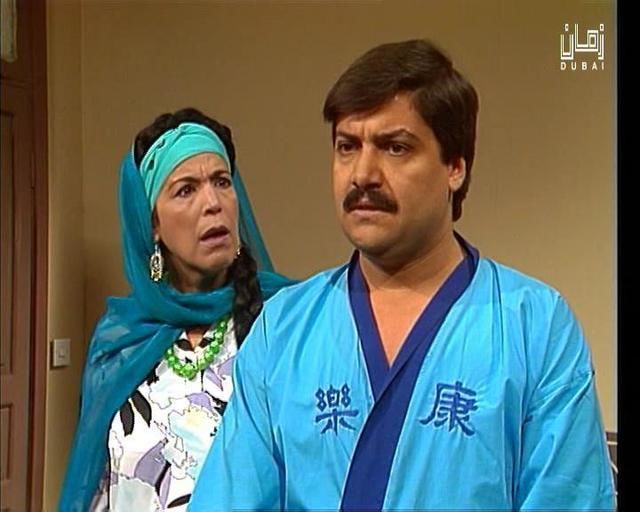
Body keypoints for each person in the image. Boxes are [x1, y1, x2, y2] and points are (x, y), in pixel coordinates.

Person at [189, 40, 616, 511]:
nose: (363, 174)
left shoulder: (535, 326)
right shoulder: (284, 329)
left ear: (455, 167)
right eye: (347, 147)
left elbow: (568, 497)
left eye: (395, 147)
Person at [58, 108, 294, 511]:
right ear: (152, 224)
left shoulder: (285, 322)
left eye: (222, 182)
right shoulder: (120, 340)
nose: (213, 203)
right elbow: (99, 483)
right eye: (186, 190)